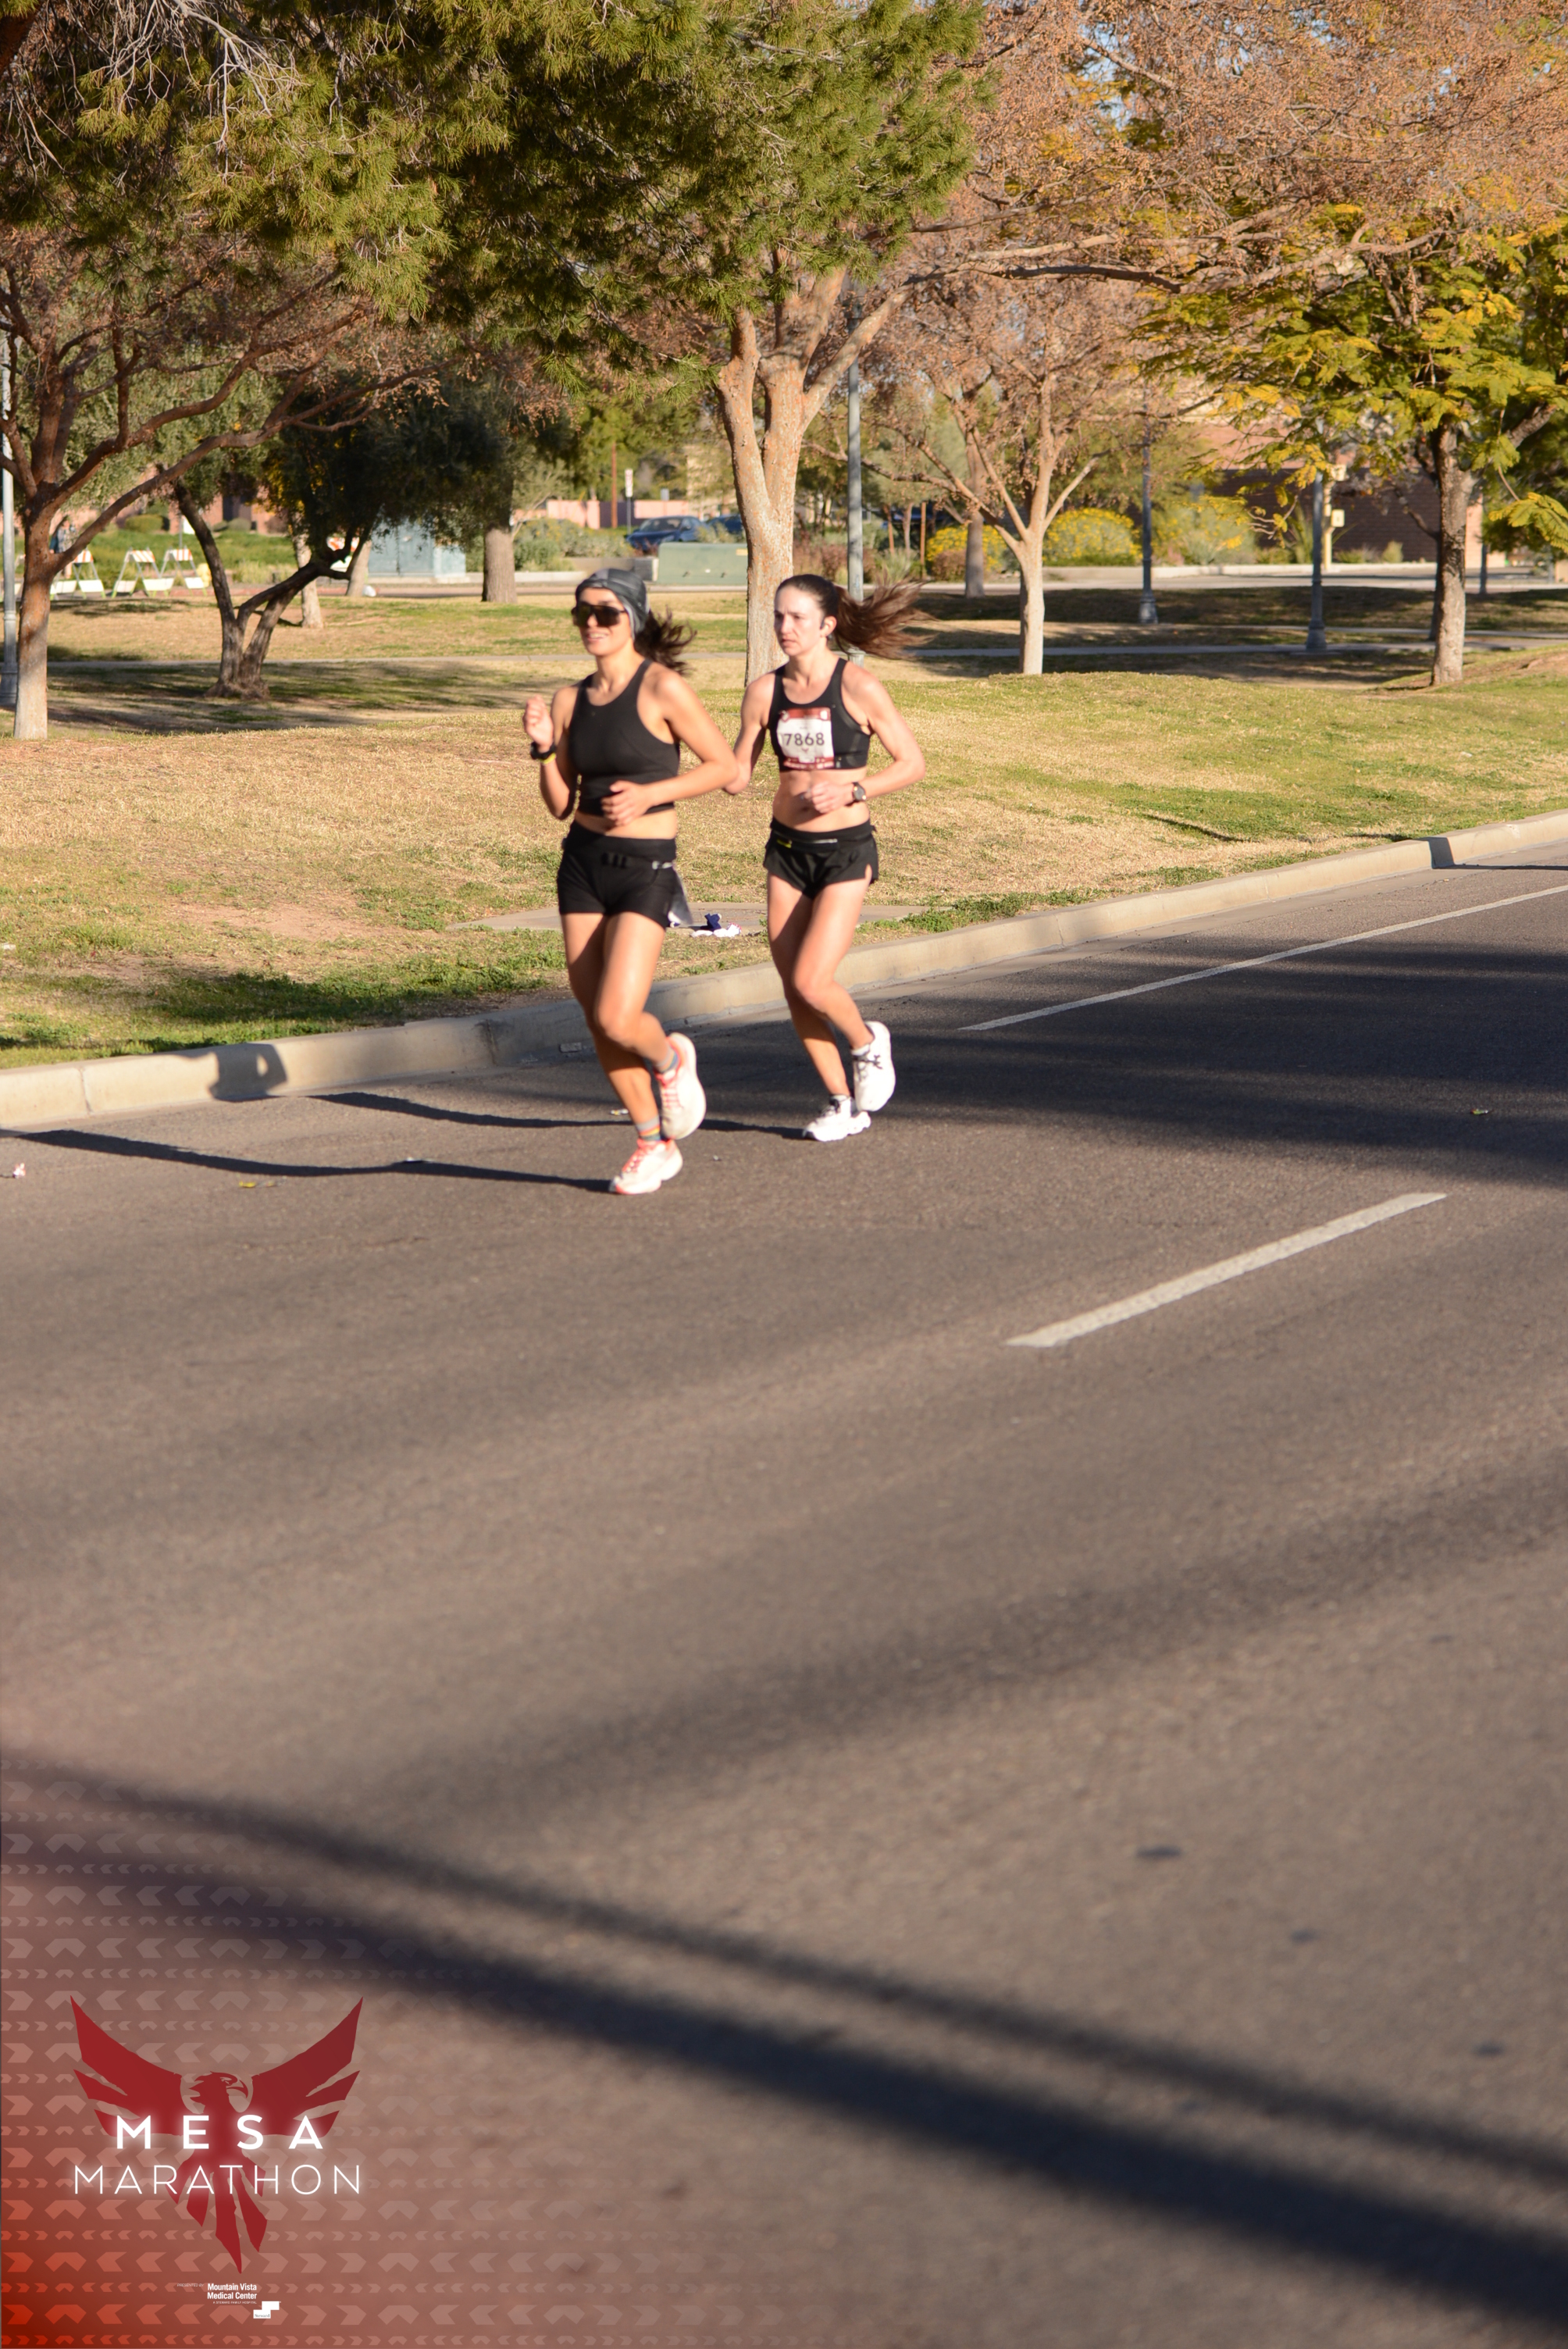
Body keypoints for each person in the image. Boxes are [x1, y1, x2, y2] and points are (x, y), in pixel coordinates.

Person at [523, 568, 739, 1195]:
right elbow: (560, 804)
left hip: (645, 867)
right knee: (596, 1018)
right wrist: (543, 749)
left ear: (633, 619)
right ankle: (653, 1143)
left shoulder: (662, 688)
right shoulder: (570, 700)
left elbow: (724, 767)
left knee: (619, 1016)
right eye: (582, 613)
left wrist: (650, 794)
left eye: (606, 613)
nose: (591, 624)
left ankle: (670, 1062)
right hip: (582, 863)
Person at [730, 574, 925, 1140]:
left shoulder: (858, 687)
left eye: (797, 617)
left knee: (814, 981)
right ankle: (841, 1103)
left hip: (844, 852)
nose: (784, 627)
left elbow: (912, 763)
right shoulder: (764, 693)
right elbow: (737, 775)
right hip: (787, 851)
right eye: (778, 616)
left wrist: (854, 790)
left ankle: (867, 1043)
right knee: (794, 987)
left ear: (827, 625)